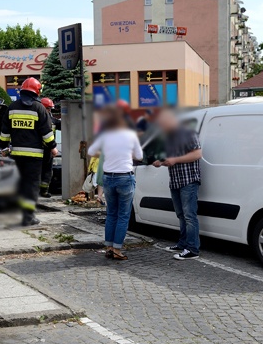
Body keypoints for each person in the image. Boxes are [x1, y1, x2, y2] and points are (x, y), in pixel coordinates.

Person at [0, 77, 57, 226]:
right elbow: (46, 133)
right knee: (31, 186)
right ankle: (28, 217)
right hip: (34, 156)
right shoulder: (39, 109)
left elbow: (4, 133)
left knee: (21, 184)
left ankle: (20, 213)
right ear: (37, 91)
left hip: (17, 155)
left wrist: (4, 147)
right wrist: (53, 147)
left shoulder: (12, 107)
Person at [87, 106, 142, 260]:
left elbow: (91, 151)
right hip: (125, 177)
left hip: (108, 178)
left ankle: (109, 247)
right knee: (123, 215)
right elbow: (139, 155)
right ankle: (117, 249)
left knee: (111, 213)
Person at [153, 108, 203, 260]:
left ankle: (193, 249)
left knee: (189, 215)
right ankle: (183, 243)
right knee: (181, 215)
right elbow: (171, 157)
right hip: (175, 181)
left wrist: (174, 160)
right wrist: (160, 162)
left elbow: (197, 154)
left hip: (188, 180)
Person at [39, 97, 60, 198]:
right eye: (48, 108)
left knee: (48, 171)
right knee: (38, 171)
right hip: (39, 149)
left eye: (50, 109)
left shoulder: (53, 120)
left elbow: (62, 125)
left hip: (49, 150)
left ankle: (44, 191)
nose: (49, 111)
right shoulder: (38, 120)